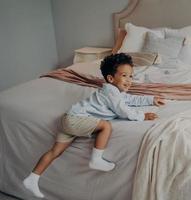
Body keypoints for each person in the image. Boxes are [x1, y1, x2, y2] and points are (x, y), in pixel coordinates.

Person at [23, 53, 165, 198]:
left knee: (55, 152)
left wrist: (151, 99)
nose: (129, 80)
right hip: (76, 120)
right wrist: (142, 116)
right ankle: (96, 159)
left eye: (131, 76)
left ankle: (33, 178)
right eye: (124, 76)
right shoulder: (111, 92)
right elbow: (122, 110)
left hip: (69, 119)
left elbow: (128, 99)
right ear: (111, 78)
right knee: (106, 126)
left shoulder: (114, 91)